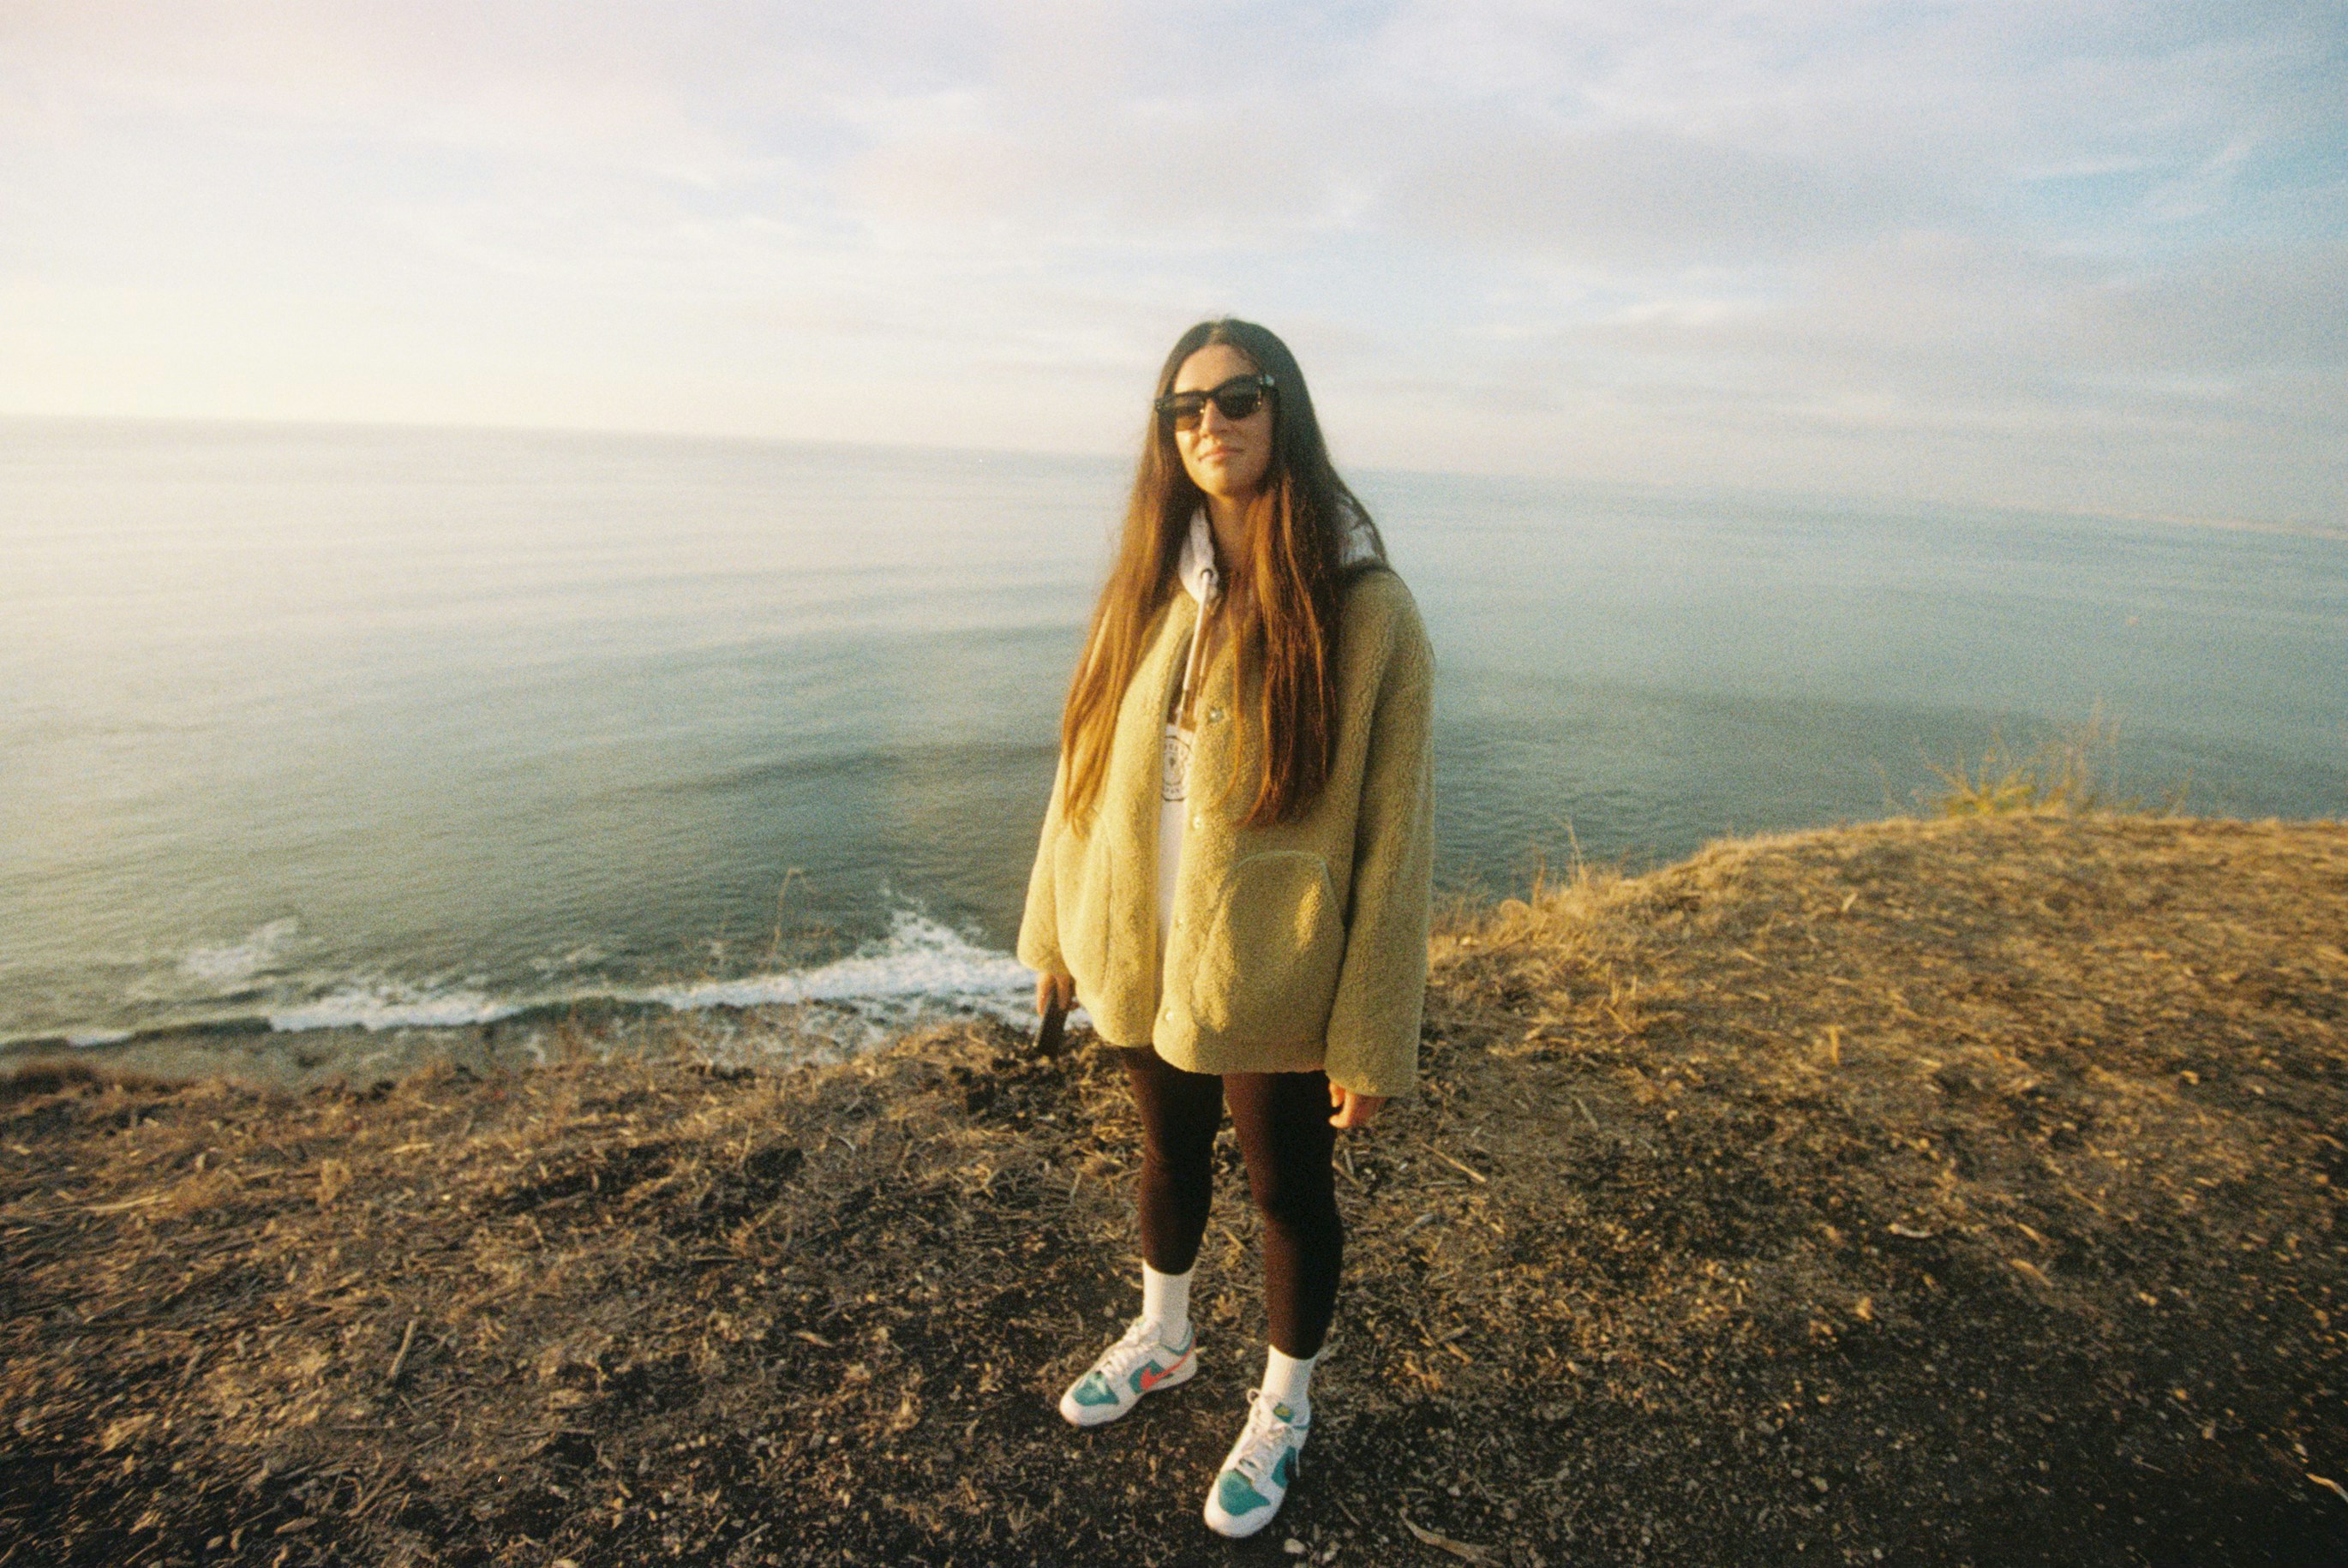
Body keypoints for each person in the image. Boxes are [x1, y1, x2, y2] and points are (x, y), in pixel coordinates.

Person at [1017, 318, 1435, 1538]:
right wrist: (1056, 933)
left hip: (1276, 973)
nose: (1209, 424)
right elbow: (1082, 769)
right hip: (1144, 950)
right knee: (1165, 1157)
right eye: (1182, 410)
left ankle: (1285, 1405)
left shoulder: (1367, 610)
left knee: (1287, 1194)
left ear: (1283, 409)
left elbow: (1395, 843)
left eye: (1235, 398)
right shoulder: (1154, 582)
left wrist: (1368, 1033)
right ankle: (1165, 1336)